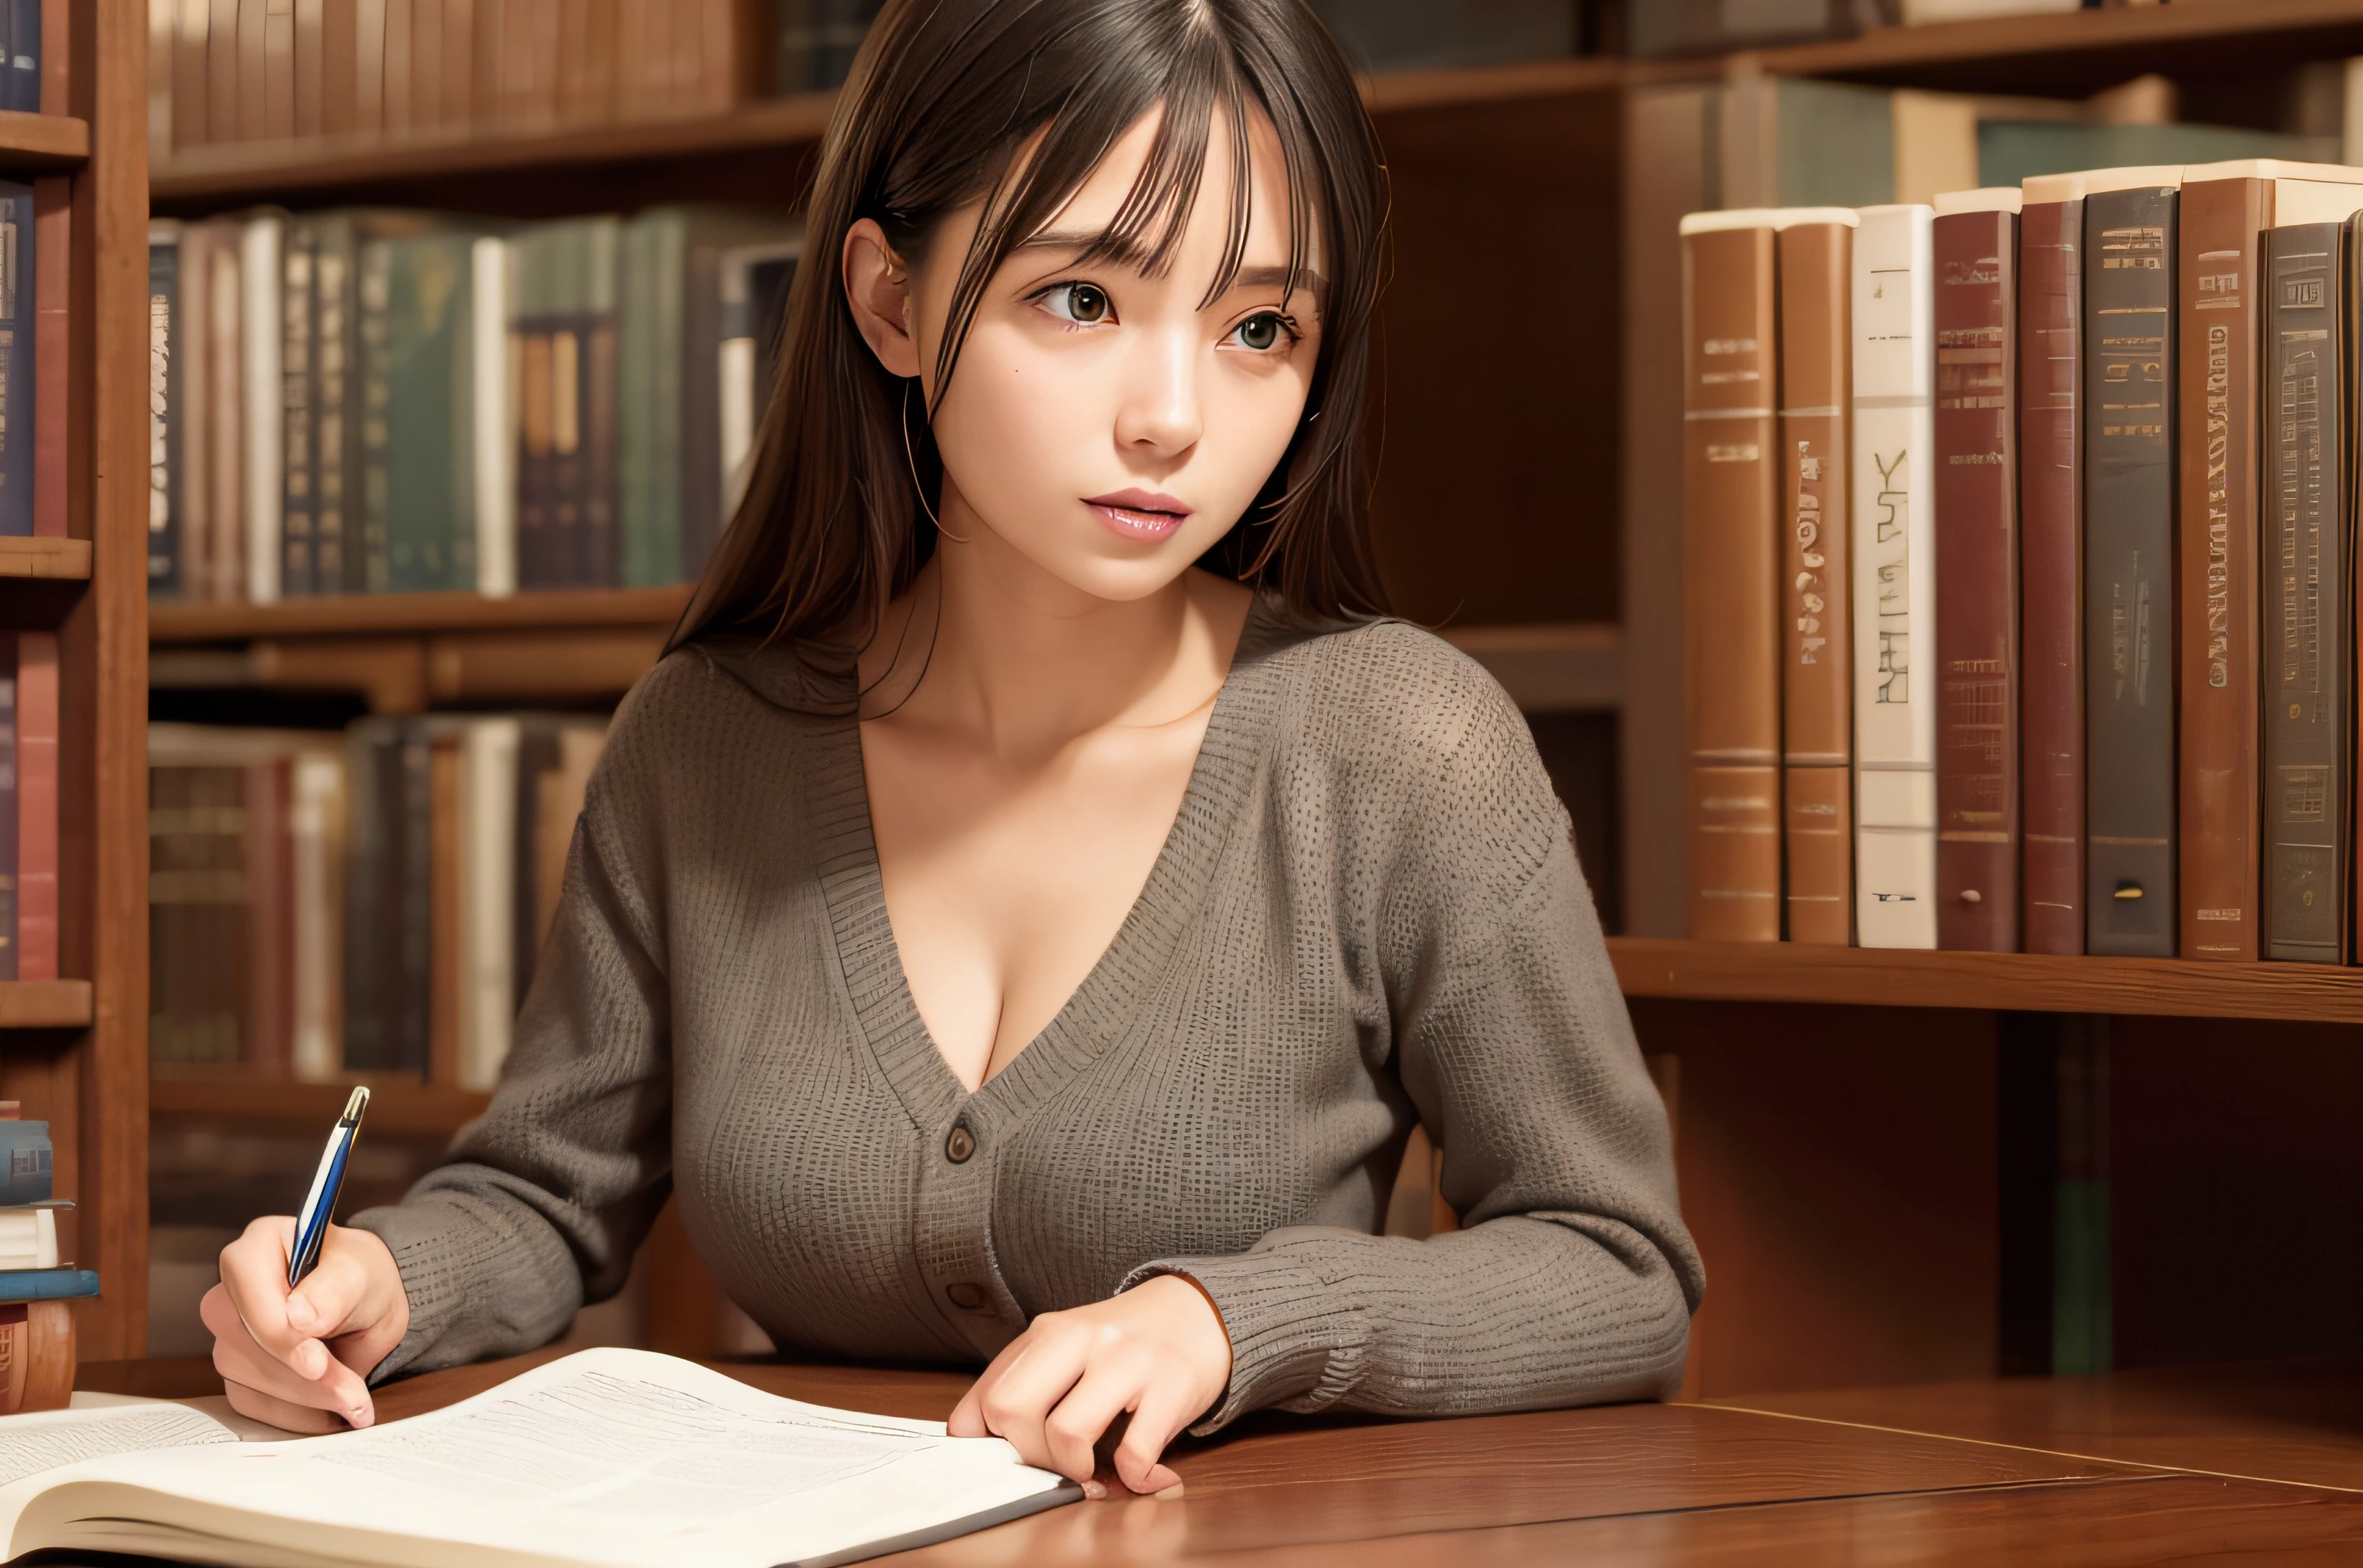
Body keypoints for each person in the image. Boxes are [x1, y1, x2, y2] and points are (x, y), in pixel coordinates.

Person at [202, 0, 1703, 1498]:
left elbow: (1614, 1264)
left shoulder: (1396, 747)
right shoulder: (705, 749)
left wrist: (1232, 1318)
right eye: (1080, 301)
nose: (1171, 417)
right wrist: (375, 1283)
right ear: (888, 303)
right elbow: (542, 1197)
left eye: (1259, 328)